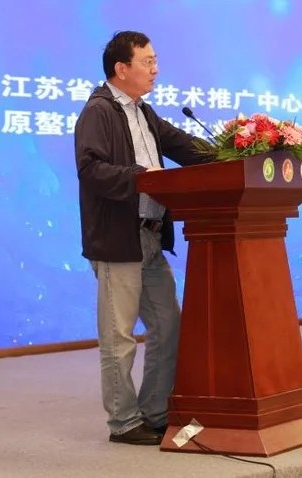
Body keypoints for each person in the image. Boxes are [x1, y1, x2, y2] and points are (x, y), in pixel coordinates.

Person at [74, 30, 213, 446]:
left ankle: (154, 412)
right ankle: (123, 422)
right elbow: (91, 170)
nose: (155, 69)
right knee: (118, 337)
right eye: (147, 62)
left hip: (151, 238)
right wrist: (141, 177)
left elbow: (185, 147)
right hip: (118, 238)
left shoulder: (143, 112)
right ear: (121, 68)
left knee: (168, 326)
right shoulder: (98, 111)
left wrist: (238, 151)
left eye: (155, 61)